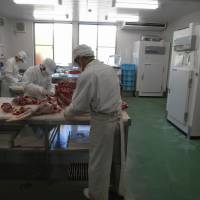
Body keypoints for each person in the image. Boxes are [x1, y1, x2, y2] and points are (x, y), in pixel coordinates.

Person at [64, 44, 125, 200]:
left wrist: (66, 113)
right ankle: (103, 191)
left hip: (103, 121)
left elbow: (78, 106)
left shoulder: (88, 74)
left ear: (82, 59)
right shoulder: (108, 69)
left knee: (97, 162)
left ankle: (96, 195)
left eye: (78, 63)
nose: (78, 66)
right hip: (114, 118)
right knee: (105, 160)